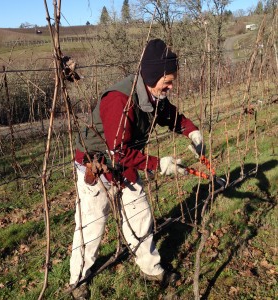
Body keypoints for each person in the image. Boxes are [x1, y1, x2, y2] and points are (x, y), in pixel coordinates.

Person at [69, 38, 204, 299]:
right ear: (153, 76)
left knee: (140, 214)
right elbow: (117, 150)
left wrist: (192, 132)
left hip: (125, 162)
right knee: (92, 224)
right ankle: (78, 279)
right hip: (97, 165)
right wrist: (157, 164)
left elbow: (171, 116)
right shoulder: (119, 100)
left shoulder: (155, 95)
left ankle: (150, 268)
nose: (171, 86)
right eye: (168, 81)